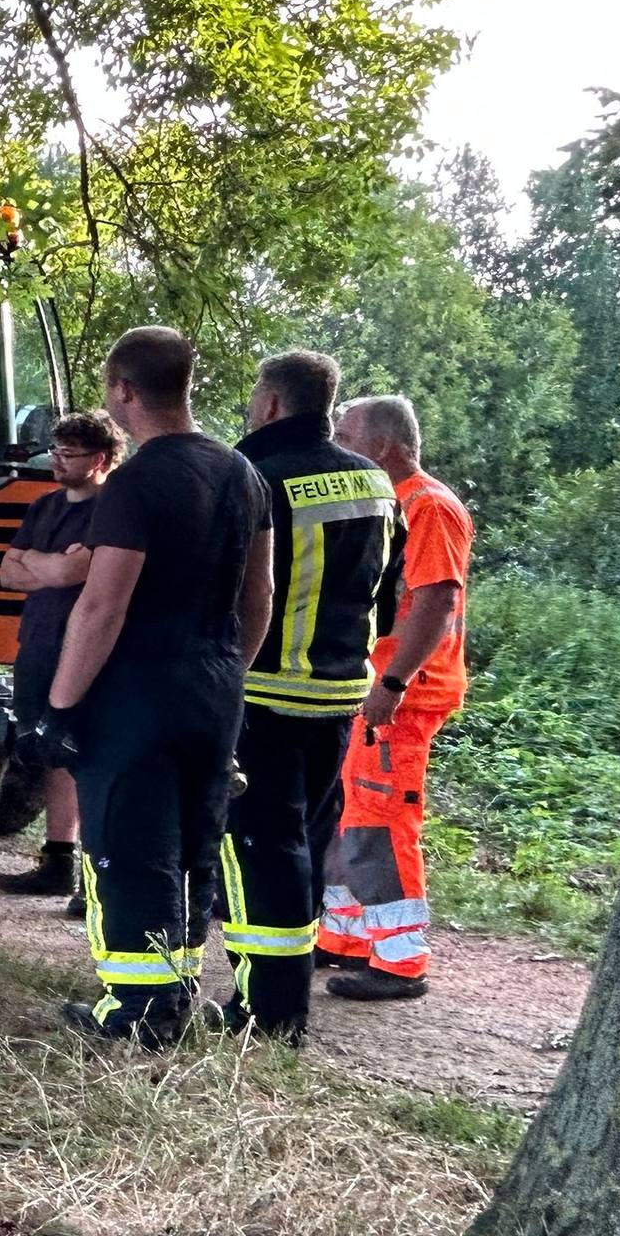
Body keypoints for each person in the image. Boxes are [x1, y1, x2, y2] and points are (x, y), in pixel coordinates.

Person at [39, 327, 273, 1047]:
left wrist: (59, 708)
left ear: (123, 391)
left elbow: (102, 607)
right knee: (193, 847)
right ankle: (176, 992)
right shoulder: (243, 473)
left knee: (129, 846)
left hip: (137, 694)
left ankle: (138, 1012)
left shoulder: (135, 484)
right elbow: (258, 596)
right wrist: (228, 671)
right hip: (216, 688)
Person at [221, 351, 396, 1041]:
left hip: (264, 690)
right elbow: (386, 590)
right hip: (341, 691)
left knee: (261, 848)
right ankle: (282, 996)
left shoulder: (256, 474)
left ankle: (271, 1013)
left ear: (271, 403)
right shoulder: (374, 481)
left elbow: (231, 587)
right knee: (303, 842)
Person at [319, 395, 471, 1004]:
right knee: (352, 815)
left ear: (382, 445)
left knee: (381, 821)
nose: (337, 444)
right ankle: (345, 938)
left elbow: (436, 600)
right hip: (378, 686)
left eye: (346, 435)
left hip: (403, 694)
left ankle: (401, 961)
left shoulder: (428, 506)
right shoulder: (392, 502)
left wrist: (393, 684)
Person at [0, 409, 125, 916]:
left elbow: (78, 571)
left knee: (89, 756)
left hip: (85, 650)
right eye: (56, 451)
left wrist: (38, 563)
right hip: (37, 644)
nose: (57, 461)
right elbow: (7, 572)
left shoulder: (114, 508)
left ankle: (96, 876)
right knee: (50, 750)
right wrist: (51, 565)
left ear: (101, 459)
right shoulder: (44, 506)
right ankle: (57, 860)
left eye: (69, 454)